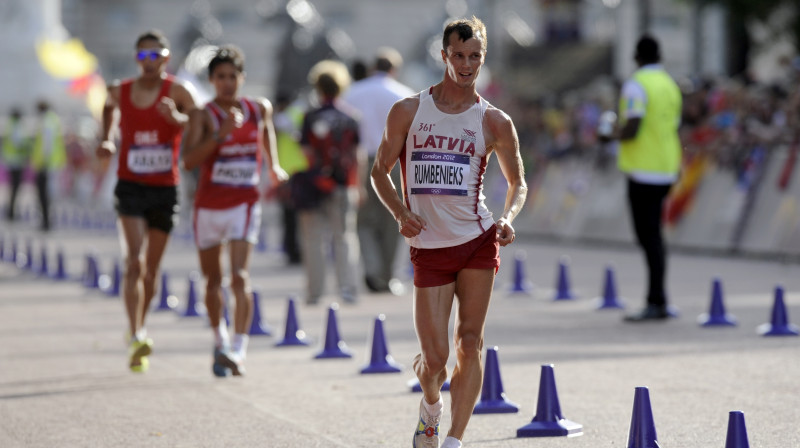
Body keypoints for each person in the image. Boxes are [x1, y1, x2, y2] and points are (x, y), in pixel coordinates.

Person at [371, 17, 527, 448]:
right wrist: (401, 212)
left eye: (474, 56)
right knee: (436, 360)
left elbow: (519, 183)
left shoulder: (494, 121)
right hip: (429, 246)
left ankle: (455, 439)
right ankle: (431, 405)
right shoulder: (408, 111)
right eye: (458, 56)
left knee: (471, 340)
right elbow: (378, 173)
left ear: (483, 57)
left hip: (477, 241)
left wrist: (509, 215)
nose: (466, 64)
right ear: (443, 56)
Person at [96, 30, 198, 372]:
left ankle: (139, 323)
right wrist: (108, 139)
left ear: (167, 58)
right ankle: (137, 332)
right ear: (136, 59)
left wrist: (177, 119)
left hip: (164, 188)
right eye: (143, 56)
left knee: (152, 270)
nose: (150, 61)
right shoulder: (120, 90)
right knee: (134, 263)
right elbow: (107, 107)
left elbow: (196, 120)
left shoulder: (178, 91)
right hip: (131, 186)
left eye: (156, 55)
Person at [183, 45, 287, 376]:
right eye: (220, 77)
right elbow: (188, 161)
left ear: (242, 78)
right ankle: (220, 341)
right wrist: (220, 135)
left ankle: (239, 350)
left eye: (233, 76)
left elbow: (266, 132)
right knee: (213, 280)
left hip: (243, 204)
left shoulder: (258, 108)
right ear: (212, 80)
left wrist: (274, 166)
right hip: (209, 208)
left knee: (240, 277)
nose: (227, 83)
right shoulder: (203, 115)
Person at [600, 34, 682, 322]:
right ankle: (658, 298)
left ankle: (656, 300)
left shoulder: (636, 85)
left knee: (648, 236)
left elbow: (633, 128)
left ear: (636, 57)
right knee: (654, 235)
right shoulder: (670, 85)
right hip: (667, 167)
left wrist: (608, 134)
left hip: (643, 170)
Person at [344, 47, 415, 294]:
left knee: (363, 220)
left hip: (361, 161)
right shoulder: (404, 95)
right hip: (394, 161)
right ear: (394, 70)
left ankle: (372, 269)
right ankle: (386, 276)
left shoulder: (353, 93)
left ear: (374, 67)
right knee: (394, 219)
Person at [295, 60, 366, 305]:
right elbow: (358, 155)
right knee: (345, 237)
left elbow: (306, 153)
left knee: (313, 239)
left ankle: (315, 292)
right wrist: (358, 186)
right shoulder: (351, 117)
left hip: (315, 185)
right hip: (344, 184)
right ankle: (348, 288)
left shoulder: (309, 116)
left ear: (318, 87)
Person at [273, 91, 308, 265]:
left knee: (290, 214)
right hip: (296, 170)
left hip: (291, 172)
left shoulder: (286, 117)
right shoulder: (298, 113)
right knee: (295, 214)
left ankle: (294, 251)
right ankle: (295, 250)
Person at [31, 100, 67, 231]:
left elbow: (47, 144)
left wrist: (44, 162)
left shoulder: (47, 121)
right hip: (50, 163)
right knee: (45, 194)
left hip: (47, 164)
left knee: (44, 194)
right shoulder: (52, 119)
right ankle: (46, 221)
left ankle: (46, 222)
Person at [2, 108, 29, 223]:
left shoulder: (9, 125)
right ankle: (11, 213)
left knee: (13, 188)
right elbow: (19, 142)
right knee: (15, 188)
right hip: (16, 161)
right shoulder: (16, 126)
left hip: (10, 160)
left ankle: (10, 211)